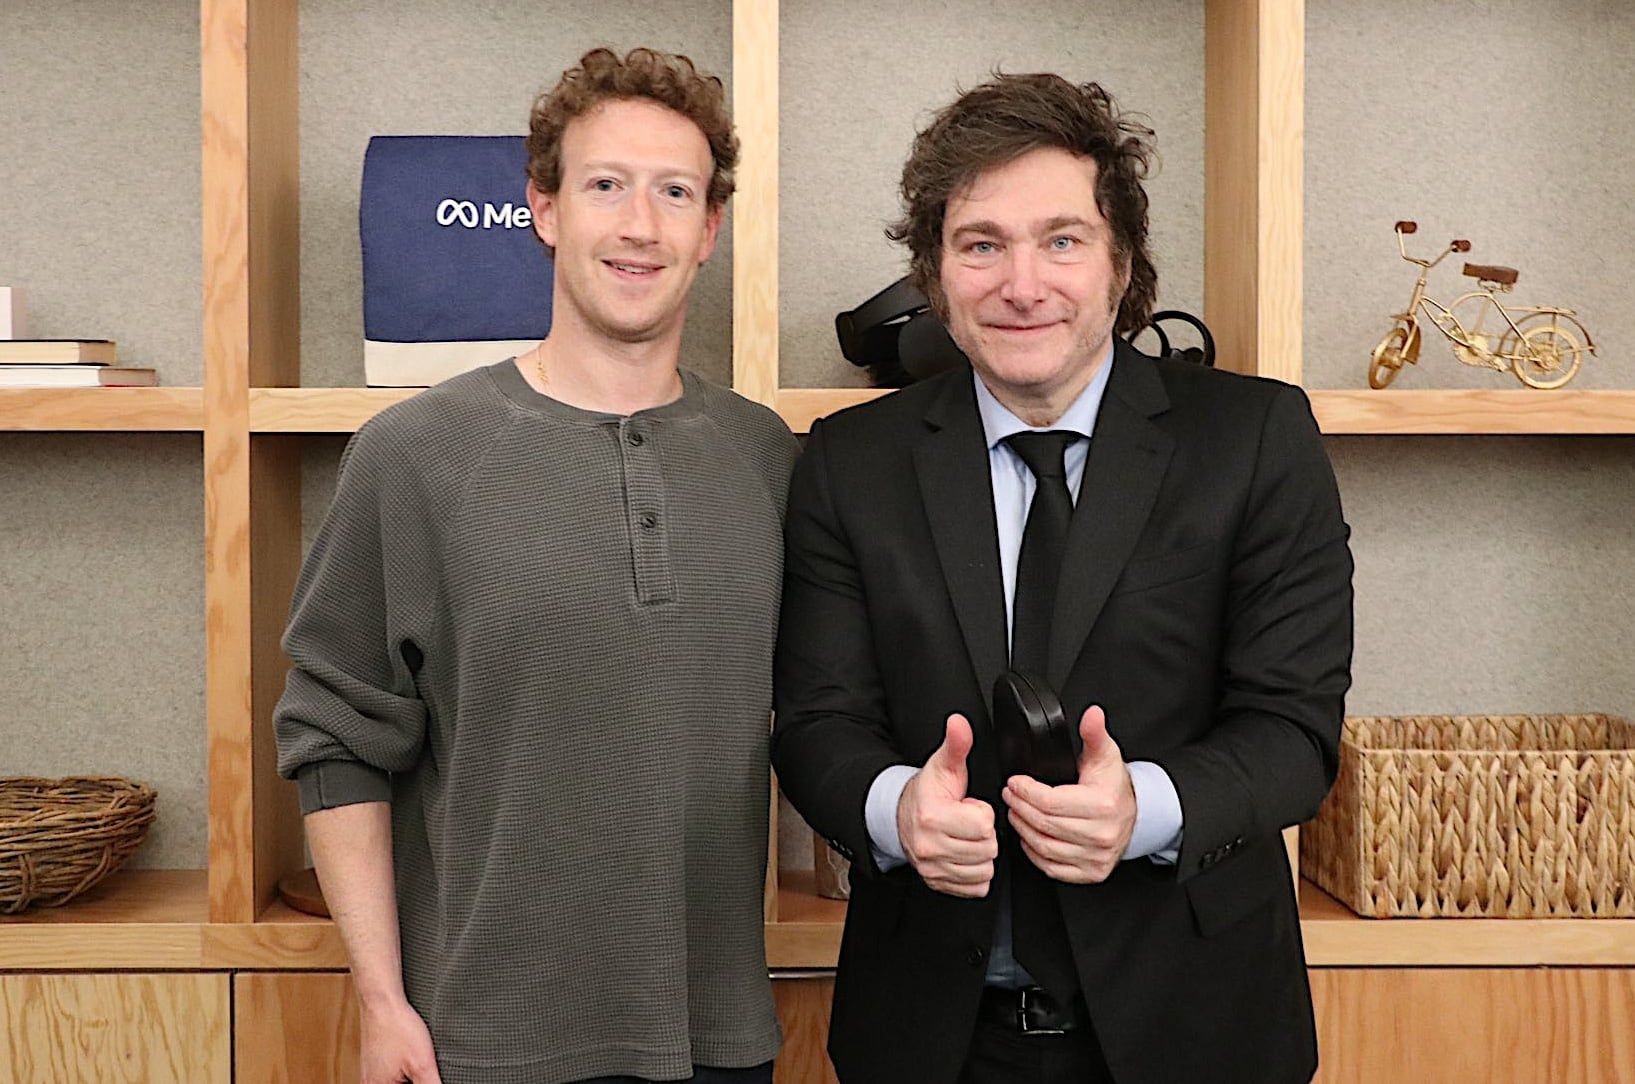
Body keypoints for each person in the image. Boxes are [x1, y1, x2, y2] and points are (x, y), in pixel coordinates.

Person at [771, 72, 1353, 1084]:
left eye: (1062, 240)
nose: (1022, 283)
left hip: (1200, 1029)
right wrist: (895, 808)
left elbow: (1295, 732)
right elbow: (816, 723)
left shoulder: (1256, 439)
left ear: (1122, 265)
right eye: (982, 244)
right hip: (931, 1038)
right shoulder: (848, 462)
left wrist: (1149, 807)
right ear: (936, 276)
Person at [274, 46, 797, 1084]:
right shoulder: (415, 453)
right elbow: (333, 739)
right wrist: (381, 1003)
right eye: (605, 185)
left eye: (675, 192)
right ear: (546, 210)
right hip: (483, 1041)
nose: (639, 224)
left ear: (711, 230)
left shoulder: (766, 456)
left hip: (721, 1039)